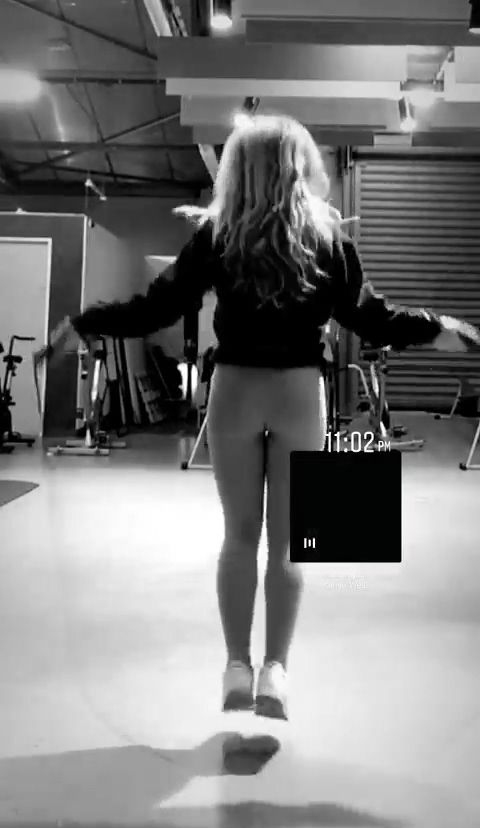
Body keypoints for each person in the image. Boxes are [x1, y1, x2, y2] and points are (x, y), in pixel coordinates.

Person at [44, 114, 480, 722]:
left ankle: (235, 667)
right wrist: (440, 329)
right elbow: (372, 318)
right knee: (288, 544)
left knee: (239, 536)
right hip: (300, 391)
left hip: (235, 390)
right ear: (301, 166)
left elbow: (155, 308)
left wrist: (85, 321)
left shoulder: (218, 236)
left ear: (238, 170)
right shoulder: (328, 239)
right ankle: (276, 671)